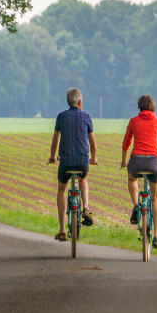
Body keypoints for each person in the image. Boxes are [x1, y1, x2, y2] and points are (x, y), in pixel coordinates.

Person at [120, 94, 157, 249]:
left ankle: (136, 205)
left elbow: (126, 142)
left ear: (139, 107)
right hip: (153, 162)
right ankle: (156, 236)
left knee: (132, 179)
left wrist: (123, 161)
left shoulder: (133, 121)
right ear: (153, 107)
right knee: (155, 198)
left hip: (136, 161)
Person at [47, 88, 97, 241]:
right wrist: (93, 158)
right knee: (83, 179)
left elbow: (55, 140)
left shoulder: (61, 116)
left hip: (65, 163)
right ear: (80, 102)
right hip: (82, 163)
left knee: (62, 189)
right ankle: (86, 208)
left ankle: (62, 230)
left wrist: (52, 157)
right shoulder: (86, 116)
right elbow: (93, 144)